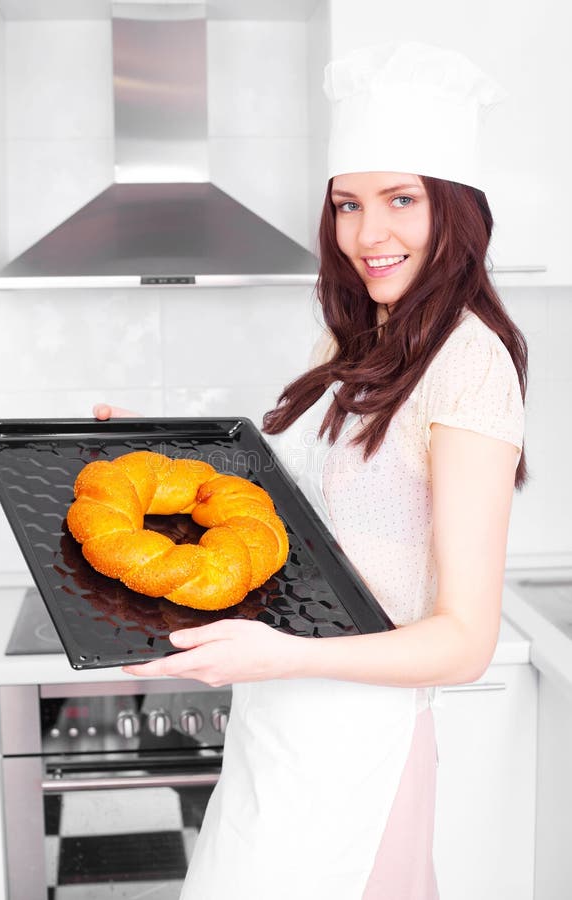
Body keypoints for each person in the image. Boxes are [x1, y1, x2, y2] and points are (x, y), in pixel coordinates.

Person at [96, 42, 527, 900]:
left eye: (402, 200)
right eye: (347, 205)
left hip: (359, 751)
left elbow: (464, 641)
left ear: (458, 213)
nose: (370, 234)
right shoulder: (359, 343)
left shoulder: (470, 364)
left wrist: (280, 654)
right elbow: (304, 528)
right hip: (280, 726)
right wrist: (163, 457)